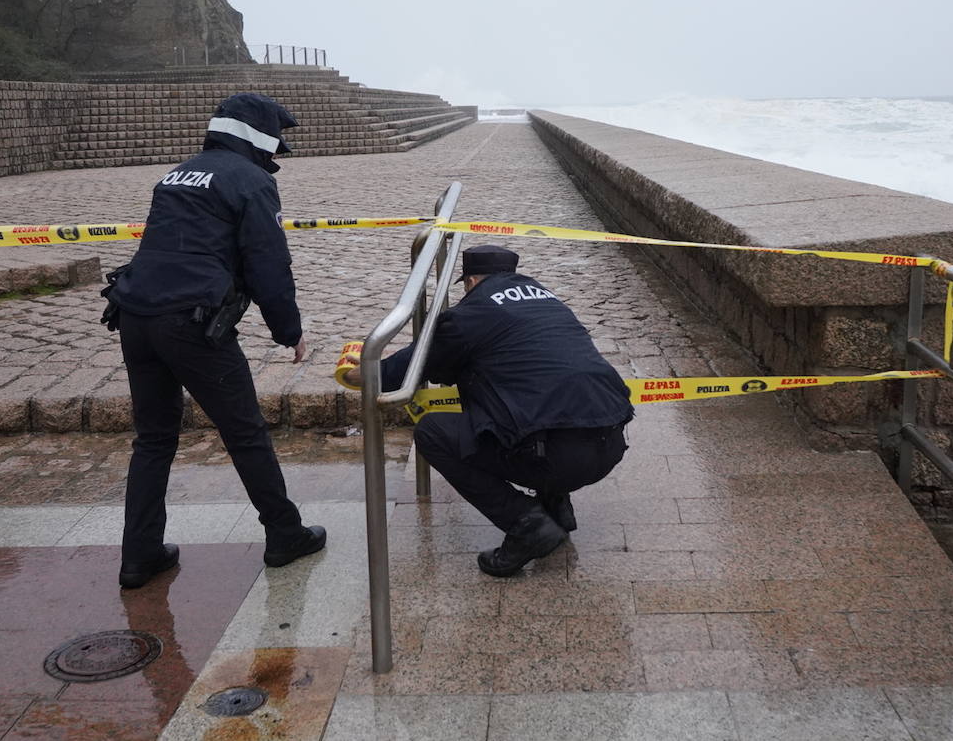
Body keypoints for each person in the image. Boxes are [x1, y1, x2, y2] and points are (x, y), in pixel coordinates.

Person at [103, 92, 326, 590]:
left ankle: (139, 555)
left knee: (154, 440)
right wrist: (288, 330)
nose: (277, 156)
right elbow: (268, 263)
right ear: (260, 139)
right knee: (245, 432)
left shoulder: (177, 174)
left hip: (135, 314)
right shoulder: (250, 181)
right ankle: (285, 533)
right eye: (276, 145)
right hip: (190, 323)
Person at [345, 245, 631, 576]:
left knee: (432, 432)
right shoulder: (547, 299)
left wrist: (367, 372)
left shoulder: (473, 312)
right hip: (609, 446)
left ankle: (527, 525)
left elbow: (414, 366)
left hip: (555, 455)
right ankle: (556, 506)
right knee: (531, 400)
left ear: (471, 281)